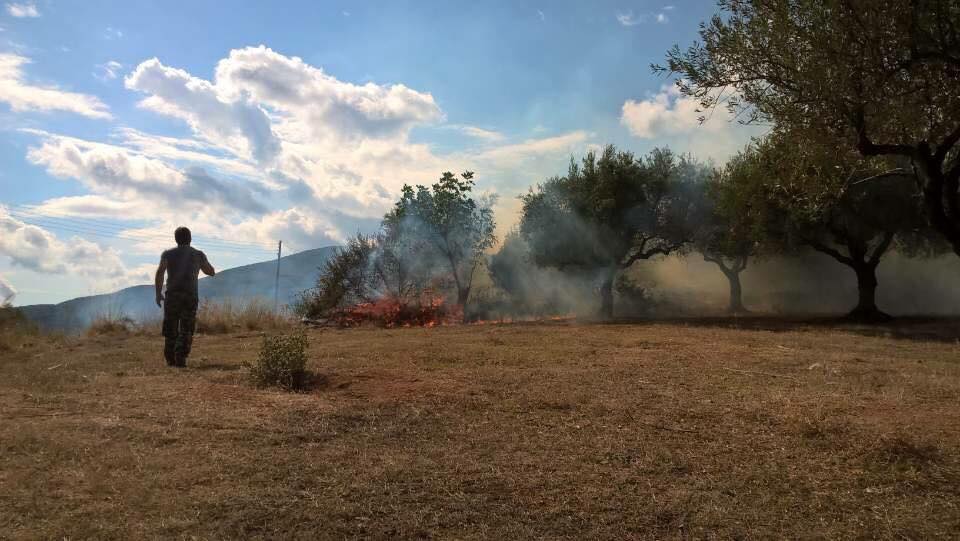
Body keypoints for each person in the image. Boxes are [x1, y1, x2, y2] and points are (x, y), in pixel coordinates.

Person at [154, 227, 215, 367]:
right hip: (190, 295)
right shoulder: (198, 254)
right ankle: (181, 357)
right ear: (190, 238)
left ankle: (170, 358)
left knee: (171, 327)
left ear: (176, 239)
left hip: (172, 295)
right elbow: (209, 271)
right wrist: (210, 270)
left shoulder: (167, 254)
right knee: (186, 328)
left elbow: (160, 273)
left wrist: (158, 293)